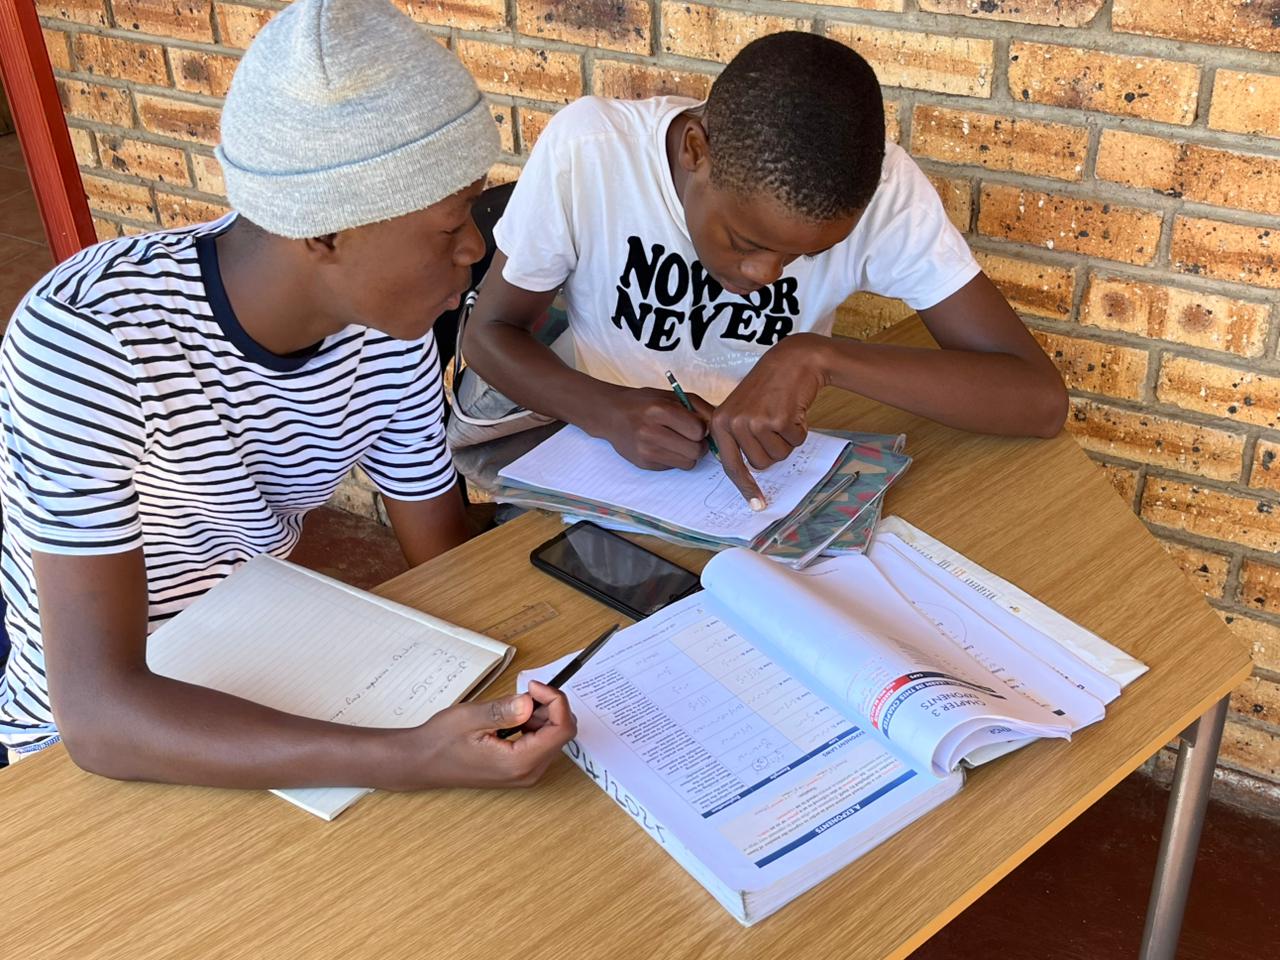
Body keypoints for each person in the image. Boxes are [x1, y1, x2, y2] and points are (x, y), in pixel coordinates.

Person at [0, 0, 574, 789]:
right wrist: (409, 758)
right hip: (84, 742)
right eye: (450, 226)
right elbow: (99, 717)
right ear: (325, 231)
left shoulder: (388, 327)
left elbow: (443, 556)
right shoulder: (90, 337)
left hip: (270, 659)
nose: (477, 248)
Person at [462, 31, 1068, 506]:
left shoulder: (883, 193)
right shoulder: (591, 152)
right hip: (609, 472)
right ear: (695, 150)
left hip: (763, 488)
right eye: (745, 242)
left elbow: (1039, 400)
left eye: (805, 256)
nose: (767, 274)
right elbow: (489, 336)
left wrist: (817, 357)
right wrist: (607, 411)